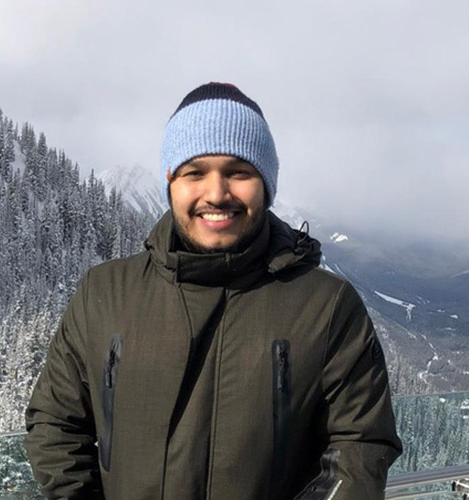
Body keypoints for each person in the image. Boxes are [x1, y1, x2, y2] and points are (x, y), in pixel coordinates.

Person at [25, 82, 402, 500]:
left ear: (266, 183)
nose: (217, 193)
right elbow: (55, 426)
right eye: (194, 172)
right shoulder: (105, 292)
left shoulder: (325, 305)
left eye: (239, 171)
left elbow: (361, 446)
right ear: (171, 181)